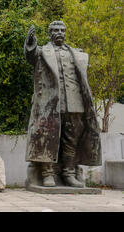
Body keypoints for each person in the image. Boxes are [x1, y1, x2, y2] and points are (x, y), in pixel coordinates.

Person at [24, 21, 101, 187]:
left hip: (75, 104)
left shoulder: (76, 54)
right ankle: (47, 174)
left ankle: (69, 174)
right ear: (50, 33)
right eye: (56, 30)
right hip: (50, 104)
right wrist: (30, 42)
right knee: (48, 138)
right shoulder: (42, 52)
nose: (59, 32)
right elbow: (30, 55)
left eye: (62, 30)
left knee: (71, 140)